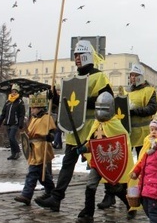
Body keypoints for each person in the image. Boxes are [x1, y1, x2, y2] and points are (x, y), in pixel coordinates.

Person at [36, 40, 113, 213]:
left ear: (86, 55)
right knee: (67, 164)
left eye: (79, 55)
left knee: (101, 164)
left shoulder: (99, 77)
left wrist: (84, 102)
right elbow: (68, 106)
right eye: (75, 55)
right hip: (74, 128)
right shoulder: (74, 79)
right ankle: (56, 198)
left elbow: (108, 101)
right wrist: (55, 98)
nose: (76, 58)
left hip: (94, 130)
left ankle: (113, 193)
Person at [96, 63, 157, 210]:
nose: (132, 78)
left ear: (140, 77)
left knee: (142, 166)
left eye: (135, 75)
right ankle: (111, 194)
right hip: (126, 133)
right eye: (131, 75)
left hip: (143, 134)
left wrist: (135, 110)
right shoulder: (125, 92)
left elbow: (152, 108)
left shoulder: (149, 91)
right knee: (117, 163)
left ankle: (144, 192)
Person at [75, 92, 136, 222]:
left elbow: (122, 144)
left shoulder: (115, 125)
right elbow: (92, 141)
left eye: (104, 108)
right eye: (99, 108)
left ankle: (130, 205)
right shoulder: (97, 123)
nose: (101, 112)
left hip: (110, 162)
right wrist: (84, 148)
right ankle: (88, 214)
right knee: (90, 185)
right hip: (98, 162)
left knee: (115, 187)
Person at [14, 93, 56, 206]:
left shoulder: (47, 118)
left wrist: (50, 137)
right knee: (42, 174)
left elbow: (52, 133)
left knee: (33, 172)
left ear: (39, 108)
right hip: (33, 147)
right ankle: (52, 191)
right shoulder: (34, 118)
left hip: (41, 147)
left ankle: (27, 195)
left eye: (33, 108)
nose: (32, 110)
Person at [0, 83, 25, 160]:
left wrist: (20, 123)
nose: (13, 93)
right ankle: (13, 154)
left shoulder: (20, 102)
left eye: (15, 92)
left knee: (12, 137)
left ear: (18, 93)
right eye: (12, 91)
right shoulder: (8, 102)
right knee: (10, 139)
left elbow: (22, 114)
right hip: (8, 122)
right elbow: (3, 113)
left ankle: (18, 151)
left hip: (14, 123)